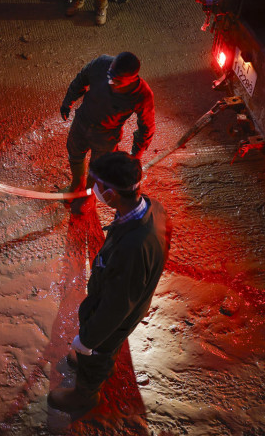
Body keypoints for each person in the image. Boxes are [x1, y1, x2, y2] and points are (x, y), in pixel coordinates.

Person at [48, 152, 171, 413]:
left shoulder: (134, 248)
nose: (94, 189)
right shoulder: (151, 208)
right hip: (127, 297)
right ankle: (104, 359)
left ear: (112, 193)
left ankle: (85, 394)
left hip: (116, 311)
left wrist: (88, 339)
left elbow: (115, 306)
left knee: (99, 346)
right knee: (108, 343)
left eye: (98, 184)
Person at [60, 52, 155, 200]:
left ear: (131, 79)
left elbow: (146, 128)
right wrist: (68, 101)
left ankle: (88, 194)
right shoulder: (101, 64)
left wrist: (135, 156)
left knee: (99, 169)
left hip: (106, 136)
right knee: (75, 154)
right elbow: (81, 79)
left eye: (116, 81)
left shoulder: (142, 95)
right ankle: (77, 183)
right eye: (109, 75)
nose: (110, 82)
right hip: (82, 121)